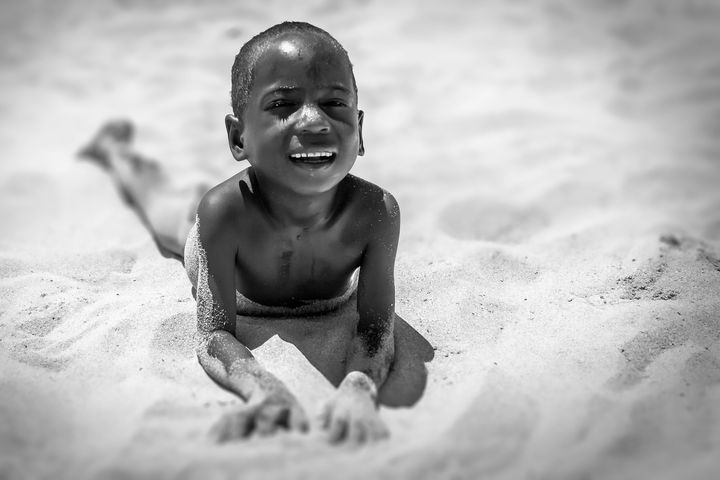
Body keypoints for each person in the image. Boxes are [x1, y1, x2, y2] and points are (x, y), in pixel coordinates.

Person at [80, 21, 427, 444]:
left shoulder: (376, 212)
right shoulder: (222, 212)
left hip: (242, 214)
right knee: (166, 214)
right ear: (238, 136)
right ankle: (117, 155)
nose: (315, 121)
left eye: (334, 103)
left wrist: (358, 390)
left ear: (360, 128)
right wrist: (262, 389)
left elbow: (376, 327)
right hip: (219, 240)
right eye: (283, 104)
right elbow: (213, 334)